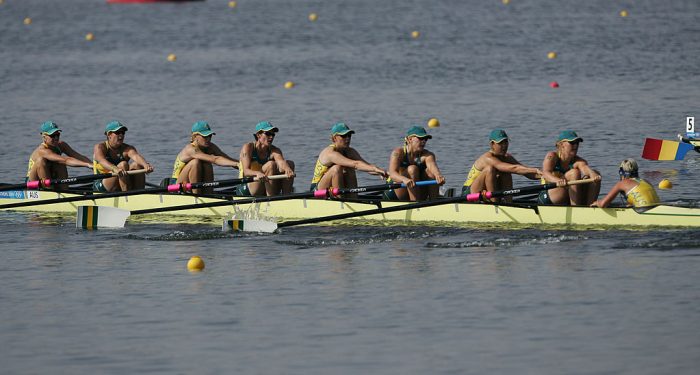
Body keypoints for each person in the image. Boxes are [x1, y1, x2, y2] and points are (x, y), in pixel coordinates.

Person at [461, 129, 541, 202]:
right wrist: (535, 169)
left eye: (506, 142)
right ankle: (495, 203)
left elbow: (525, 172)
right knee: (490, 169)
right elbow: (515, 168)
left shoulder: (507, 157)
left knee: (506, 172)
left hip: (485, 192)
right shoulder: (488, 158)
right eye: (500, 143)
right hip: (468, 193)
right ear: (492, 144)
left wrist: (546, 175)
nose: (504, 146)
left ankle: (509, 203)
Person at [310, 122, 387, 197]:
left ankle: (353, 199)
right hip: (317, 191)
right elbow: (356, 164)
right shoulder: (330, 153)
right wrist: (375, 169)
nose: (347, 138)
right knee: (337, 168)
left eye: (349, 135)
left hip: (333, 190)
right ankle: (341, 202)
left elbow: (366, 167)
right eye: (343, 136)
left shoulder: (350, 151)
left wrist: (384, 173)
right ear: (334, 138)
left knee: (349, 169)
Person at [171, 121, 239, 194]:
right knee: (195, 162)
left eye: (210, 136)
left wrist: (243, 166)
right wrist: (236, 164)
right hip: (176, 186)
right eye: (205, 136)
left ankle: (208, 195)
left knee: (207, 164)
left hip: (192, 184)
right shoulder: (190, 149)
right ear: (195, 136)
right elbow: (215, 159)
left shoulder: (210, 147)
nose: (208, 139)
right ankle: (196, 195)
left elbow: (228, 160)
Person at [539, 130, 602, 206]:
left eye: (577, 143)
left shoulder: (578, 161)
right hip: (548, 196)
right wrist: (558, 181)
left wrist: (594, 175)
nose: (575, 146)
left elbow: (585, 169)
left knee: (594, 174)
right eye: (572, 143)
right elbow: (545, 173)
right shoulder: (552, 156)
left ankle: (590, 207)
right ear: (562, 145)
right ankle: (575, 208)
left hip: (566, 194)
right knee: (574, 173)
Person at [385, 126, 445, 201]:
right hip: (395, 193)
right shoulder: (398, 153)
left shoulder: (428, 155)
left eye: (425, 139)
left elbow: (432, 166)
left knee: (430, 172)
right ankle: (415, 205)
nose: (423, 141)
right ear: (410, 139)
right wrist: (405, 179)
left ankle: (434, 203)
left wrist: (438, 175)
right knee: (412, 169)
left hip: (417, 190)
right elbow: (392, 174)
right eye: (420, 138)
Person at [27, 121, 92, 190]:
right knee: (43, 160)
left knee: (60, 163)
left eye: (57, 135)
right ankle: (49, 191)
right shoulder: (42, 150)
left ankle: (64, 190)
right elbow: (66, 160)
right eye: (52, 136)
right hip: (32, 183)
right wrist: (87, 165)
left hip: (50, 178)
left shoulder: (61, 145)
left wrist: (93, 165)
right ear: (44, 137)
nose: (56, 138)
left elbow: (78, 156)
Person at [237, 121, 295, 196]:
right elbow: (246, 171)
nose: (271, 137)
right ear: (258, 135)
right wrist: (258, 173)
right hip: (246, 188)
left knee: (290, 164)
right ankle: (270, 200)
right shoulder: (248, 147)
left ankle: (287, 197)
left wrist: (287, 169)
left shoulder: (274, 150)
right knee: (271, 165)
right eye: (268, 134)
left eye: (273, 134)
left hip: (263, 184)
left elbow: (281, 162)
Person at [92, 121, 154, 192]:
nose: (121, 135)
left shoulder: (127, 148)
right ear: (109, 135)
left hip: (120, 182)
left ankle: (139, 194)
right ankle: (127, 196)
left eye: (123, 133)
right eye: (118, 133)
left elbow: (136, 156)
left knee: (137, 165)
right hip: (102, 185)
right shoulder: (100, 147)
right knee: (123, 165)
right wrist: (114, 168)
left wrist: (145, 165)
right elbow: (101, 160)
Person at [591, 159, 660, 208]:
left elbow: (603, 204)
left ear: (622, 173)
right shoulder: (646, 181)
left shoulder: (622, 183)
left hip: (644, 210)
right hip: (658, 208)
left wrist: (597, 203)